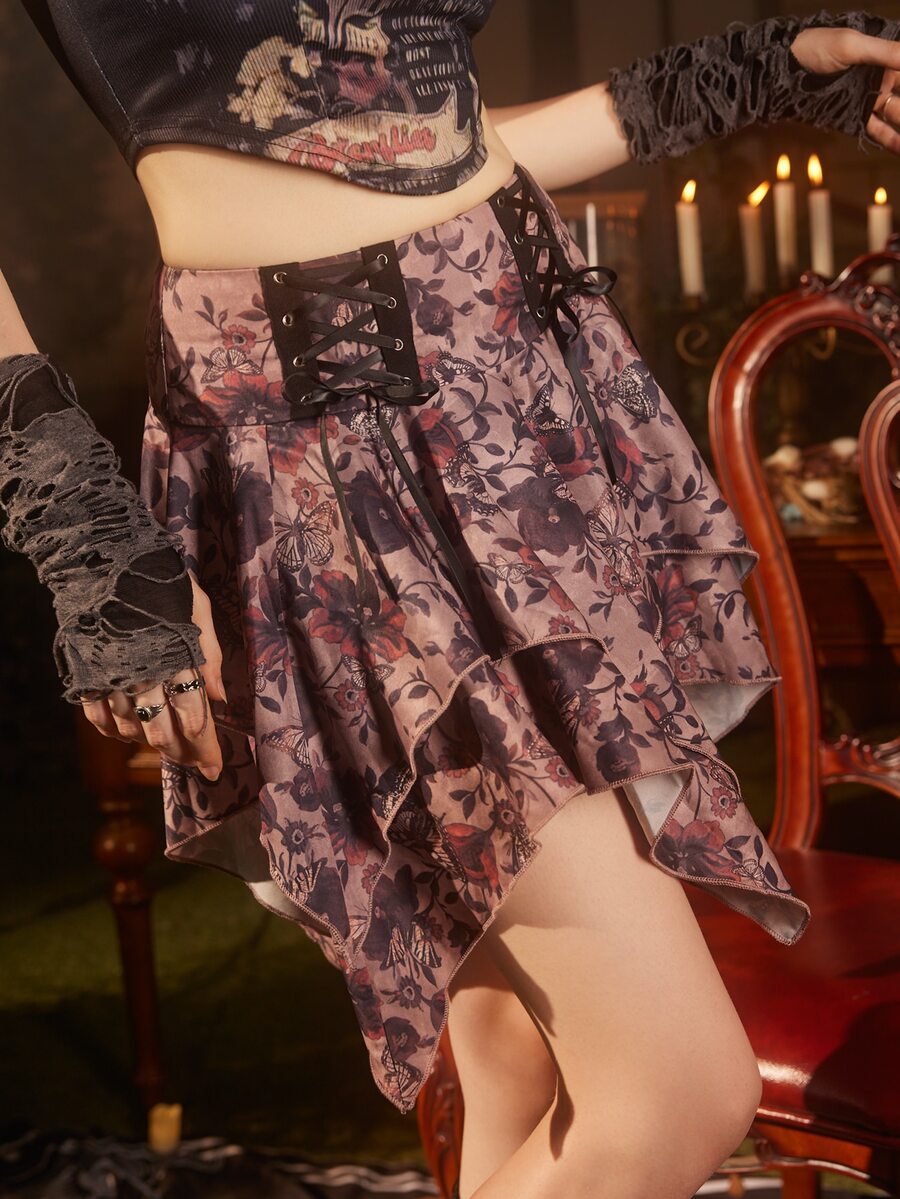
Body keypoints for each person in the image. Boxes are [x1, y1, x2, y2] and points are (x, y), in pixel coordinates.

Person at [3, 6, 899, 1198]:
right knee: (676, 1091)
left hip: (520, 389)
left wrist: (748, 78)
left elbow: (421, 132)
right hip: (323, 438)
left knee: (514, 1057)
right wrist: (77, 522)